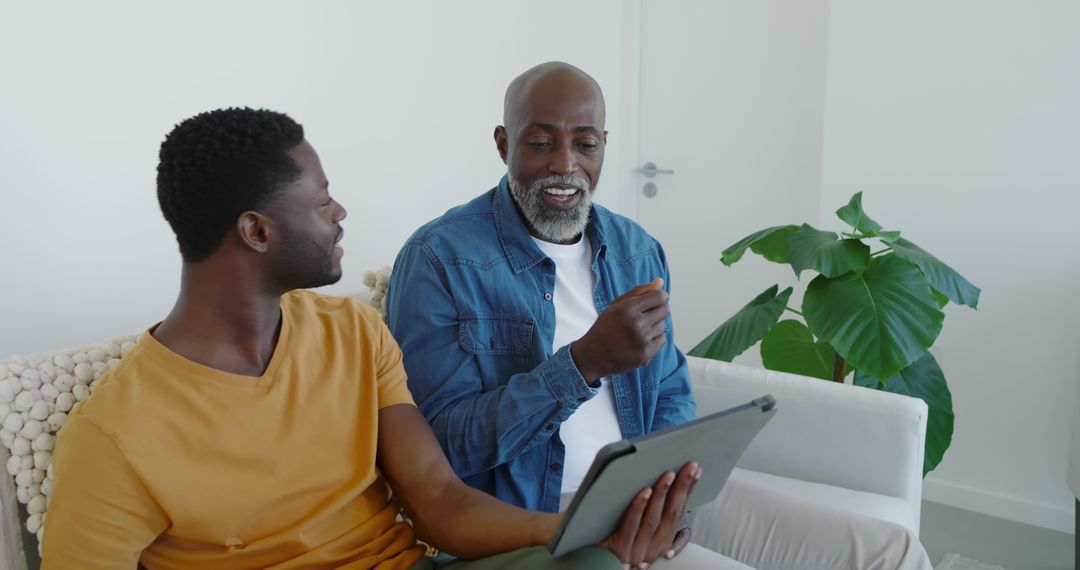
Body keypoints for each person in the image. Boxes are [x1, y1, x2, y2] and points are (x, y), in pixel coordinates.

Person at [40, 107, 700, 570]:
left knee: (593, 565)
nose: (340, 213)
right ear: (257, 231)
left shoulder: (353, 332)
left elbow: (439, 499)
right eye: (322, 199)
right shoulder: (113, 438)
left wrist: (580, 530)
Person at [386, 62, 934, 570]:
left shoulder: (634, 249)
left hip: (653, 492)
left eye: (585, 143)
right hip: (545, 514)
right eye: (539, 142)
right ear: (503, 143)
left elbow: (670, 389)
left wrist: (677, 487)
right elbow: (444, 450)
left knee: (890, 551)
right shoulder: (440, 259)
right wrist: (582, 364)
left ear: (604, 146)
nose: (564, 165)